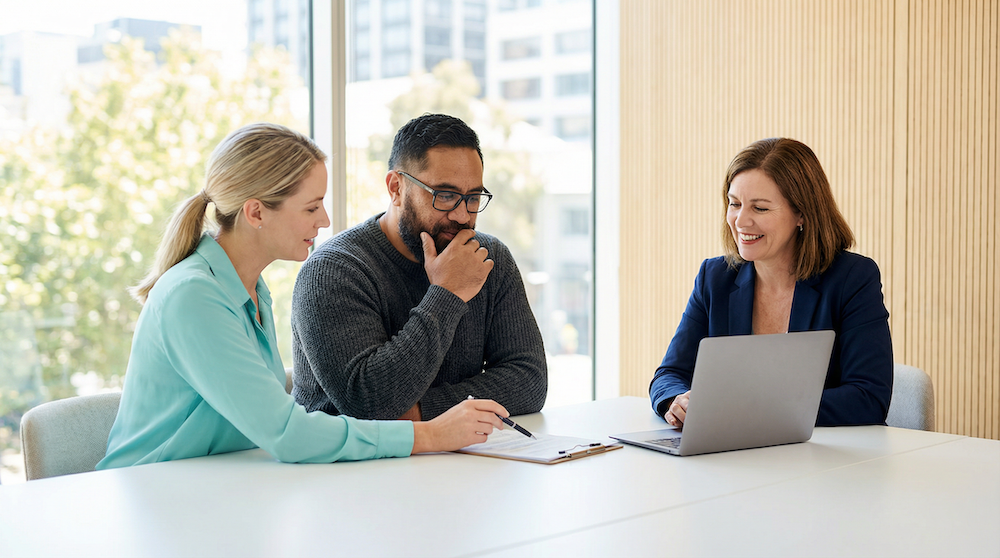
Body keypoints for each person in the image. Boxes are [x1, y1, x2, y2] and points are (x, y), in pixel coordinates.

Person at [98, 123, 509, 470]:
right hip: (152, 498)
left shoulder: (249, 289)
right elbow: (288, 433)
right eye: (311, 208)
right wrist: (429, 434)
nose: (325, 220)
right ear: (256, 213)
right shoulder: (192, 296)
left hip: (217, 490)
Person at [291, 113, 547, 421]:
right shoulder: (334, 271)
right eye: (446, 195)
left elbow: (529, 380)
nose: (463, 216)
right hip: (347, 466)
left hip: (459, 459)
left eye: (474, 197)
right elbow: (368, 401)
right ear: (396, 188)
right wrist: (447, 294)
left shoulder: (490, 258)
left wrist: (420, 412)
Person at [649, 138, 893, 427]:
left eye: (760, 209)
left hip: (827, 461)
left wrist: (750, 409)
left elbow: (868, 399)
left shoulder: (853, 279)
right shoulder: (715, 278)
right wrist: (678, 401)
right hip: (734, 457)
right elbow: (669, 375)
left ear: (802, 213)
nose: (741, 221)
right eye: (735, 204)